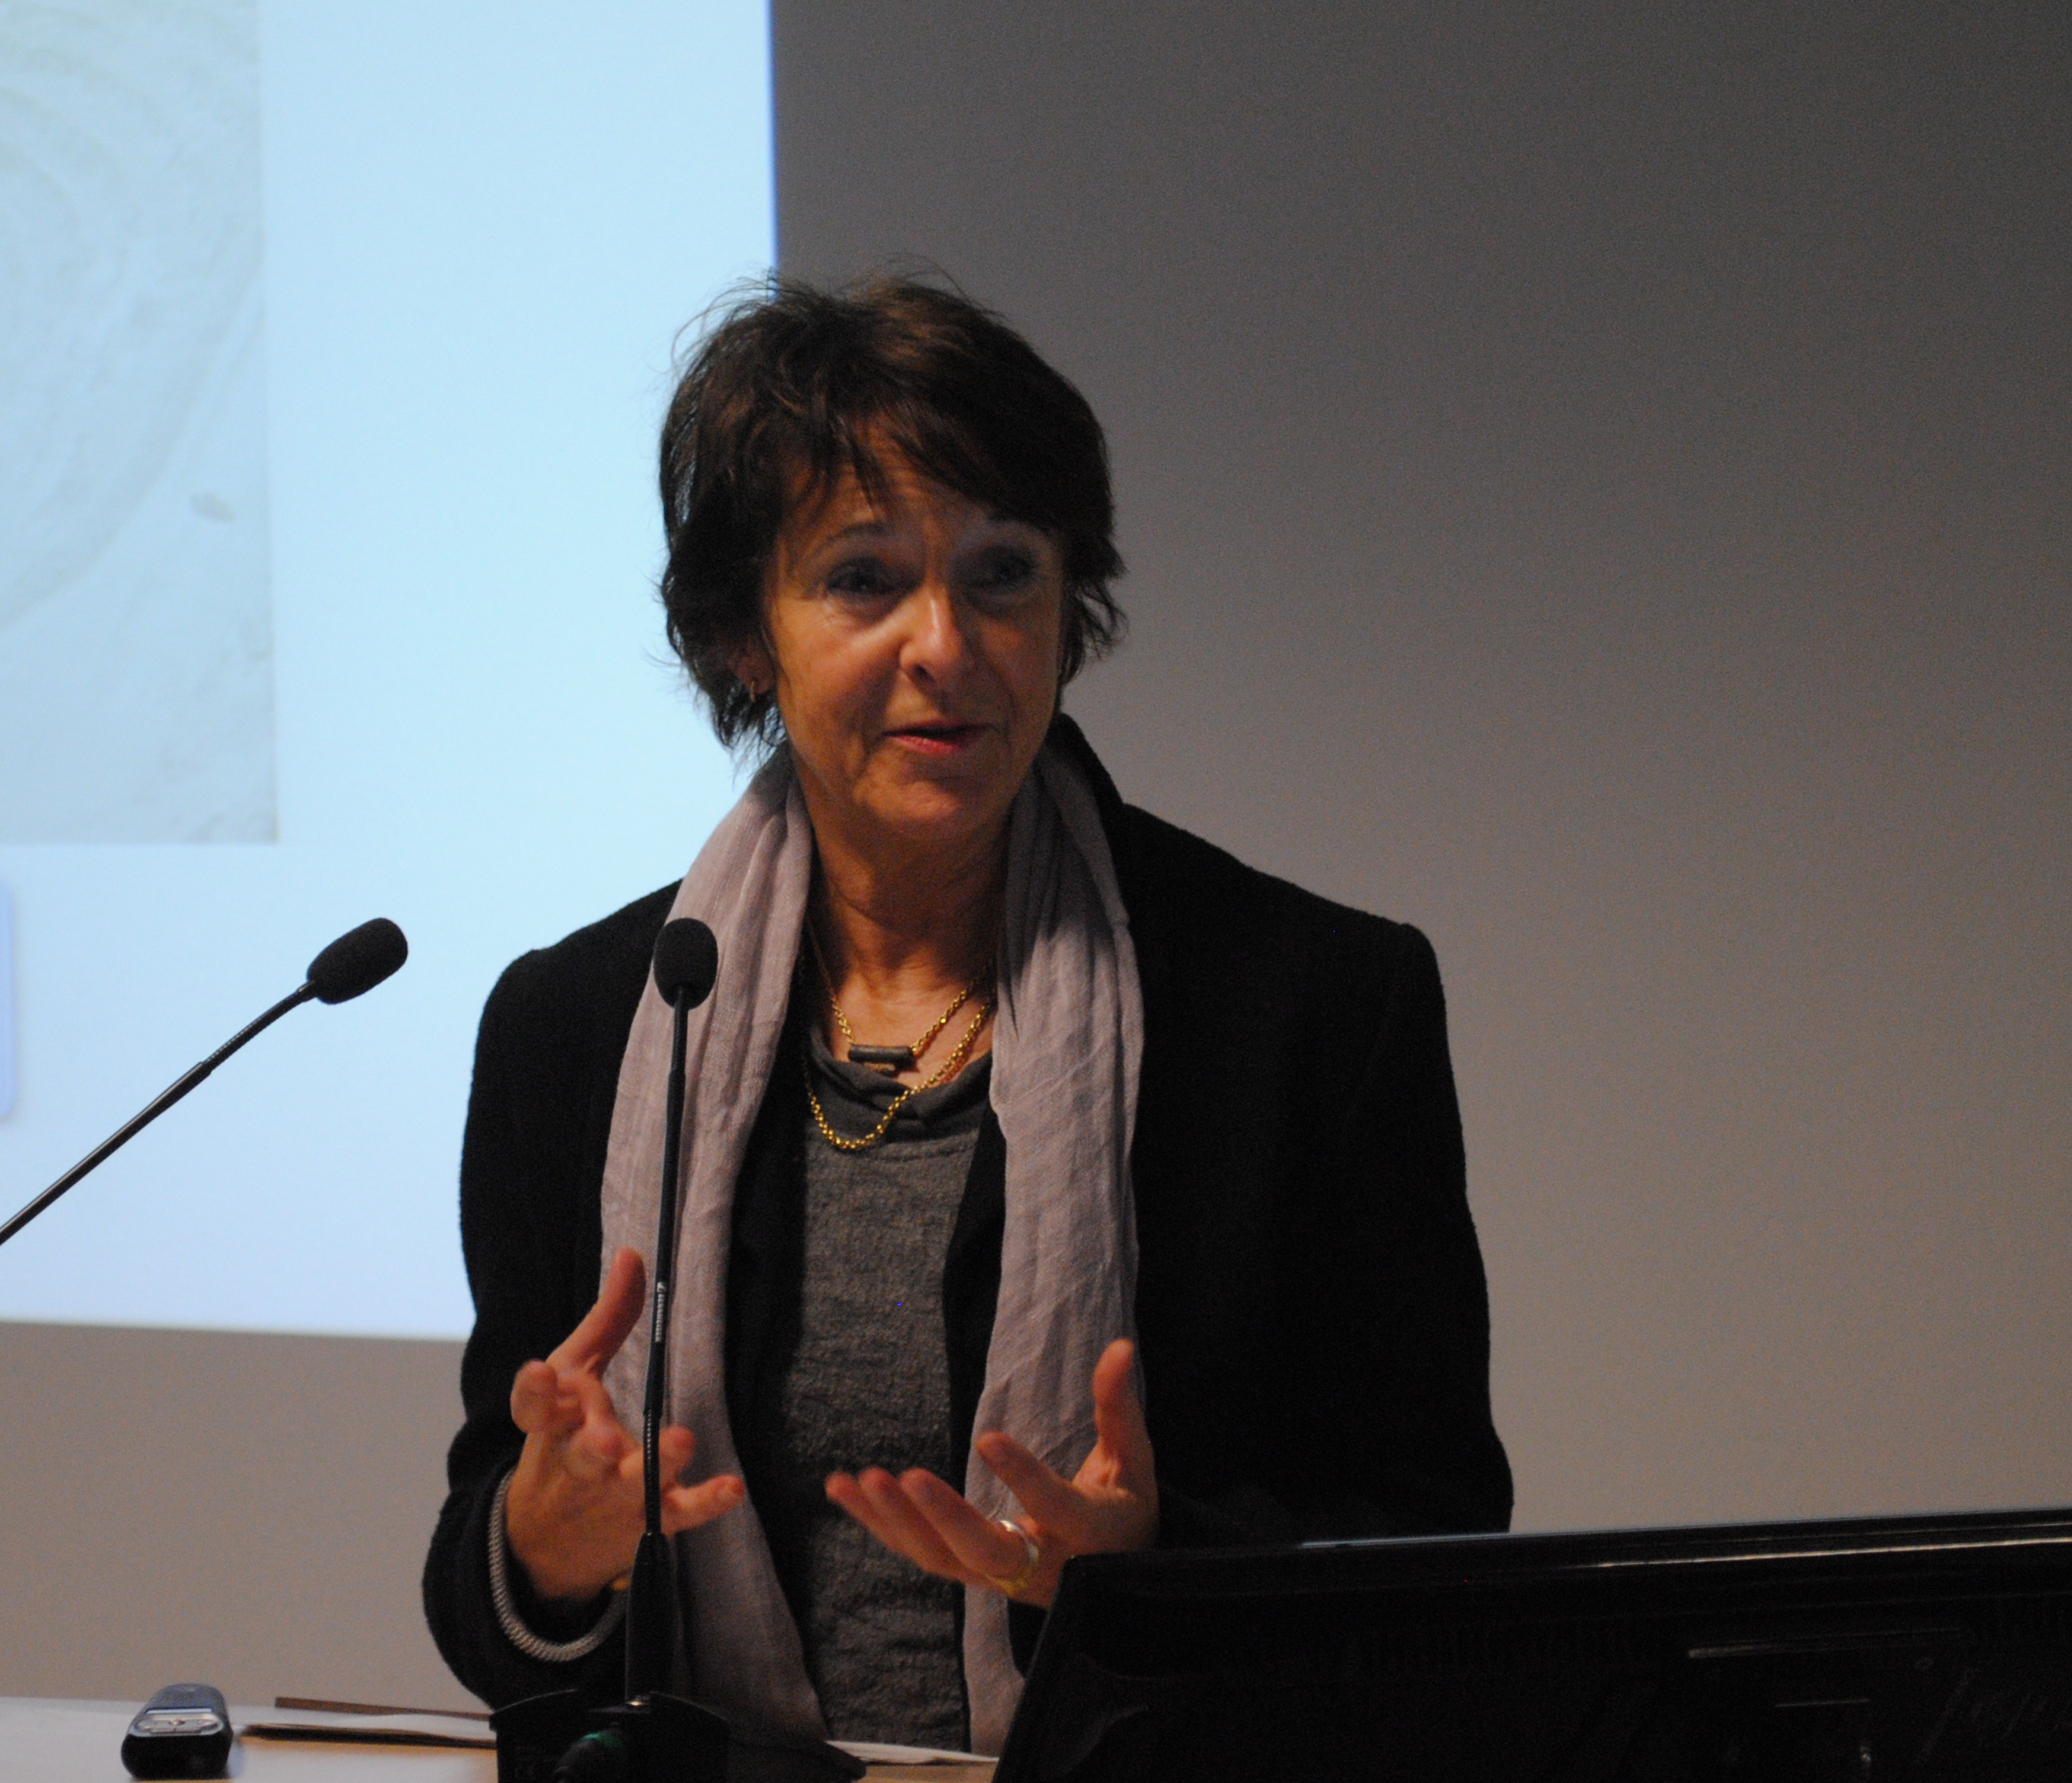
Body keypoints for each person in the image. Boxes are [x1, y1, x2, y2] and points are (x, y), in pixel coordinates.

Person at [423, 277, 1512, 1755]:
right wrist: (547, 1543)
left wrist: (1148, 1578)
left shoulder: (1307, 1005)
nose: (947, 643)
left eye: (1003, 573)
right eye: (864, 580)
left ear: (1070, 611)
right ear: (744, 634)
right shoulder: (583, 1027)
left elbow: (1436, 1553)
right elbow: (495, 1608)